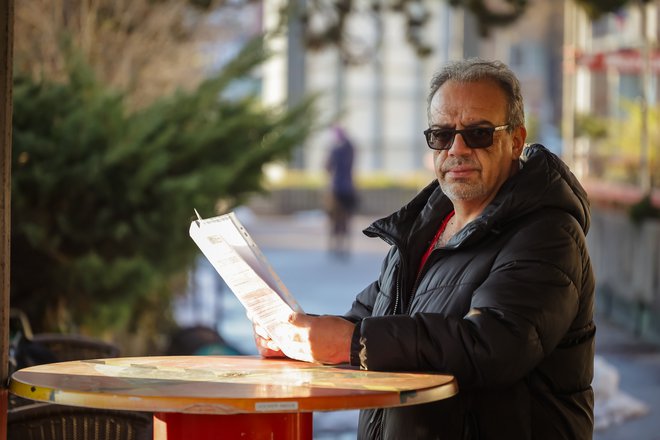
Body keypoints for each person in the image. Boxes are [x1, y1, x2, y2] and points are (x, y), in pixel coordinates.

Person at [253, 59, 595, 439]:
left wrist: (349, 344)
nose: (457, 148)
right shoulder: (422, 229)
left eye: (479, 133)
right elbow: (370, 320)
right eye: (442, 135)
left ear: (516, 140)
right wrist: (300, 335)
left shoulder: (548, 233)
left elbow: (494, 346)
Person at [325, 125, 358, 257]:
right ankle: (345, 246)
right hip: (349, 187)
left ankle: (334, 246)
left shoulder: (334, 150)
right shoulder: (351, 148)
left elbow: (327, 167)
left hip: (336, 188)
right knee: (346, 218)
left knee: (334, 219)